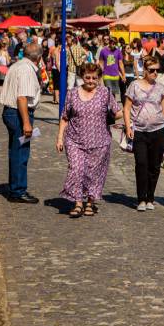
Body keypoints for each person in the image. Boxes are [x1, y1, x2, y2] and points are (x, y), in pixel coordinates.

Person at [56, 63, 122, 217]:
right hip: (74, 140)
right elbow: (65, 117)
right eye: (87, 77)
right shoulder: (72, 93)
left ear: (99, 78)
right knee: (76, 169)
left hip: (100, 141)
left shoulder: (105, 93)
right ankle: (78, 202)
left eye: (94, 78)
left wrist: (122, 113)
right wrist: (59, 138)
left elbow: (117, 112)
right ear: (82, 77)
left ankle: (90, 203)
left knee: (93, 174)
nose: (91, 80)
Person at [124, 55, 164, 211]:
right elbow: (127, 108)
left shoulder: (161, 88)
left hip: (158, 131)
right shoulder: (134, 86)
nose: (155, 73)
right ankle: (141, 198)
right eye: (152, 70)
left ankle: (150, 197)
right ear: (145, 70)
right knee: (141, 164)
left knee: (154, 165)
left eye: (157, 70)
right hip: (140, 131)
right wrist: (128, 127)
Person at [0, 42, 43, 203]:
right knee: (20, 153)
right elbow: (22, 97)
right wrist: (26, 122)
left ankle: (15, 188)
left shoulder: (17, 65)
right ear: (39, 57)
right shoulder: (26, 69)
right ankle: (18, 191)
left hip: (11, 112)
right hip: (19, 114)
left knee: (15, 151)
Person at [98, 36, 124, 101]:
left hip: (115, 75)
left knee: (114, 93)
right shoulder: (103, 51)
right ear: (110, 43)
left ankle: (113, 108)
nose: (114, 45)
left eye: (115, 43)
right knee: (109, 92)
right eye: (113, 43)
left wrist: (123, 74)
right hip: (106, 74)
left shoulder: (118, 51)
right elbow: (101, 62)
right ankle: (108, 108)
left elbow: (120, 63)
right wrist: (102, 71)